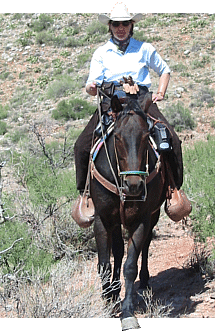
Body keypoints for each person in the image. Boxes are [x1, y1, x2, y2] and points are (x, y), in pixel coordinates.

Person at [73, 3, 184, 225]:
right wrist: (92, 89)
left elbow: (164, 70)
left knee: (172, 138)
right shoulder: (101, 52)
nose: (120, 28)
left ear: (131, 25)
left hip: (142, 101)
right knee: (82, 145)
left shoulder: (145, 48)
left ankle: (173, 190)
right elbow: (90, 84)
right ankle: (86, 194)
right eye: (116, 24)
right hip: (111, 103)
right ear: (110, 26)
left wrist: (160, 92)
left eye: (124, 23)